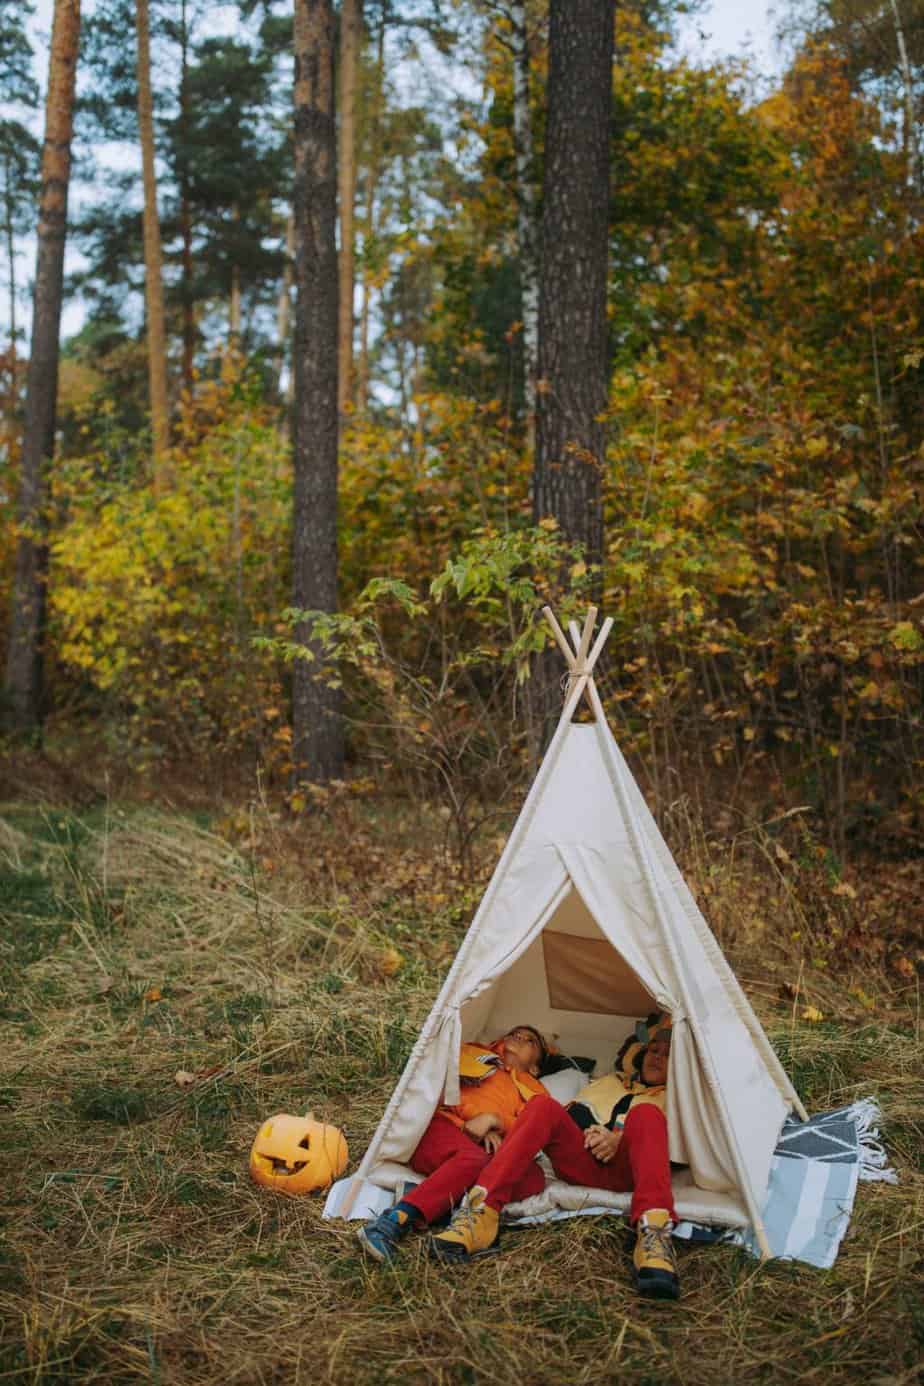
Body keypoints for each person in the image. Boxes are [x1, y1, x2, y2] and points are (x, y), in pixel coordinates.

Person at [429, 1014, 680, 1300]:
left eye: (667, 1055)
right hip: (583, 1161)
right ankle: (481, 1214)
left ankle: (654, 1236)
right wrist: (592, 1133)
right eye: (653, 1051)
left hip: (631, 1170)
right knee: (542, 1105)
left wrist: (619, 1139)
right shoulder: (610, 1082)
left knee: (646, 1115)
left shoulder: (679, 1096)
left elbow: (683, 1146)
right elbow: (573, 1114)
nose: (656, 1058)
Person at [357, 1025, 552, 1264]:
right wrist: (475, 1119)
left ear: (535, 1066)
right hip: (444, 1127)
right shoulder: (471, 1053)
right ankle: (393, 1221)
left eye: (529, 1040)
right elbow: (443, 1088)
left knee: (533, 1178)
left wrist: (495, 1121)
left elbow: (531, 1128)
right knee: (473, 1160)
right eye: (514, 1033)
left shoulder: (535, 1091)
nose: (518, 1038)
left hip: (488, 1147)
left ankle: (438, 1201)